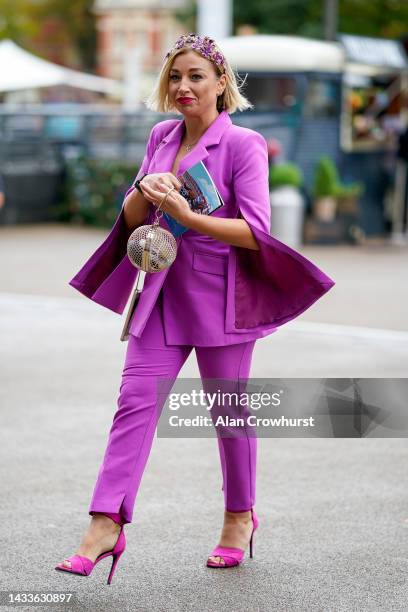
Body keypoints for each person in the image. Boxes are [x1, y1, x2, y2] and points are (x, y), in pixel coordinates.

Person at [55, 33, 335, 582]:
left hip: (222, 300)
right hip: (161, 293)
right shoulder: (161, 135)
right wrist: (144, 188)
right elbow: (134, 216)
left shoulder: (244, 144)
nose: (184, 87)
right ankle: (104, 523)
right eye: (176, 77)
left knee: (227, 415)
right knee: (134, 404)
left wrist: (189, 212)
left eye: (196, 77)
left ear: (221, 83)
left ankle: (239, 518)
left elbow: (256, 232)